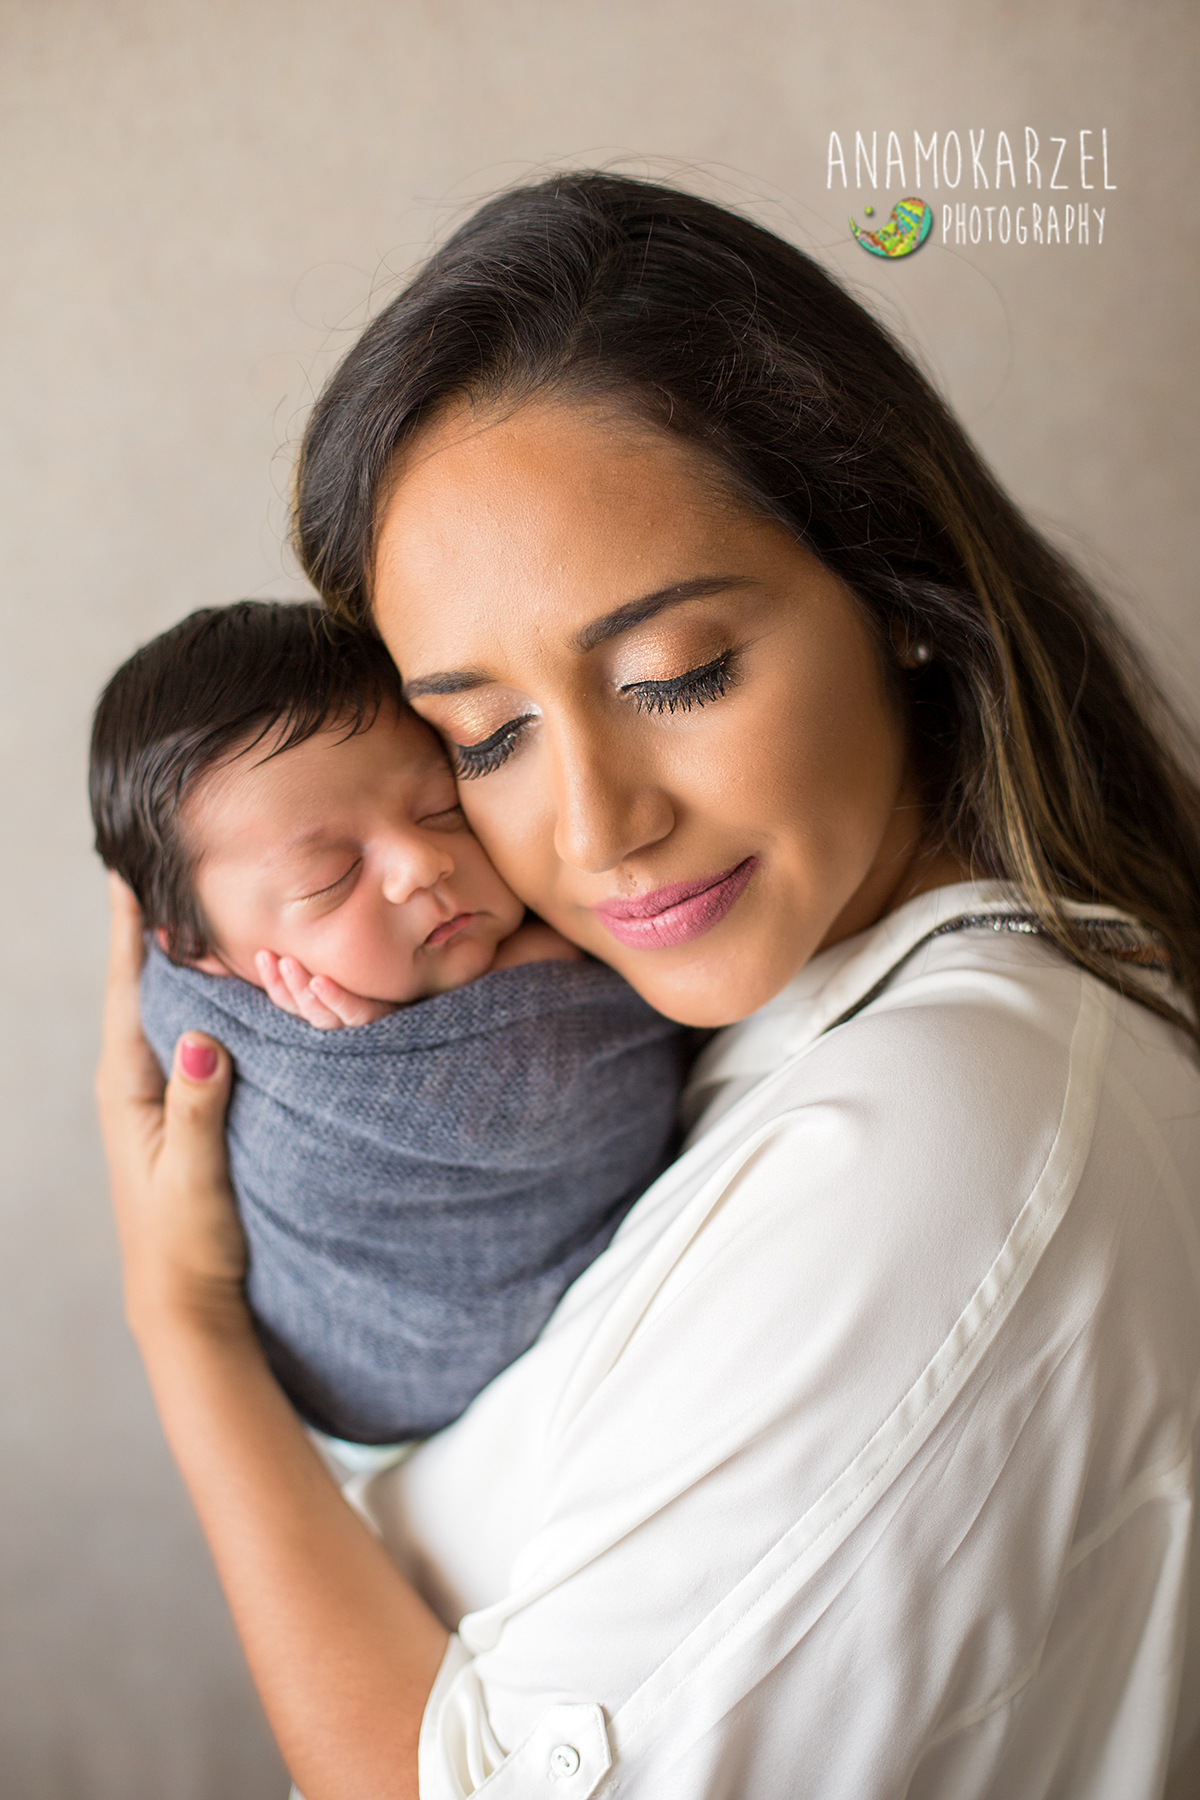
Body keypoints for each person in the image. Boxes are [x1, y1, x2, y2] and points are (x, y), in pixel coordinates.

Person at [96, 172, 1200, 1799]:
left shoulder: (932, 1148)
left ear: (892, 592)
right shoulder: (779, 1027)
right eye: (484, 736)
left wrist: (181, 1323)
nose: (596, 827)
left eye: (674, 672)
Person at [90, 599, 689, 1449]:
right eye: (330, 878)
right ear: (199, 949)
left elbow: (587, 1033)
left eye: (441, 808)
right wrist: (375, 1062)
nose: (422, 863)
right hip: (352, 1417)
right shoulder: (212, 1017)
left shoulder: (577, 909)